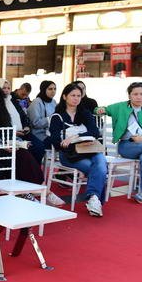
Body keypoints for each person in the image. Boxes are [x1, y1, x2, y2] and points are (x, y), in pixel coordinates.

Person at [0, 85, 64, 206]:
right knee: (22, 156)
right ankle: (40, 192)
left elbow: (9, 133)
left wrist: (16, 142)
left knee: (25, 152)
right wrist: (2, 145)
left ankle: (31, 191)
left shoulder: (0, 113)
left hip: (5, 147)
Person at [49, 83, 107, 217]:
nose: (76, 98)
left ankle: (93, 199)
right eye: (73, 95)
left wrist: (75, 137)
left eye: (79, 96)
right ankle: (95, 200)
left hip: (90, 150)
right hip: (70, 155)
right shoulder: (57, 117)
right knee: (100, 169)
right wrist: (73, 142)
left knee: (101, 163)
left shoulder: (84, 113)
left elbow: (95, 132)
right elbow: (56, 142)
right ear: (65, 96)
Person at [0, 78, 45, 163]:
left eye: (8, 88)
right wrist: (13, 132)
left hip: (22, 132)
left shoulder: (12, 100)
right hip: (9, 136)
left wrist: (27, 126)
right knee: (29, 150)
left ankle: (34, 169)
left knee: (39, 146)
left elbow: (23, 116)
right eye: (3, 88)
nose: (6, 90)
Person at [27, 80, 57, 148]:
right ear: (43, 90)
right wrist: (50, 119)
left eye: (55, 89)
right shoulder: (36, 102)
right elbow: (35, 123)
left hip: (51, 132)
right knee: (58, 143)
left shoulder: (53, 102)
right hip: (39, 135)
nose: (53, 91)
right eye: (50, 89)